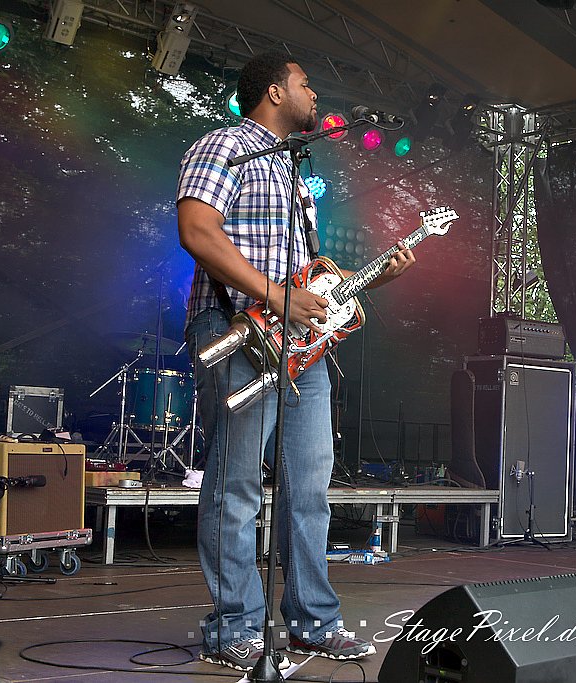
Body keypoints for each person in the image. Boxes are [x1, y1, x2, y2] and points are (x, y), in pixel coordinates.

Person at [177, 51, 415, 671]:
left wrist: (372, 279)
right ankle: (234, 628)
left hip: (300, 348)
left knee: (309, 487)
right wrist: (276, 296)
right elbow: (197, 231)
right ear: (275, 93)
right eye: (306, 84)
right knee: (235, 485)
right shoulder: (226, 146)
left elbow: (310, 284)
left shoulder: (291, 172)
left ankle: (313, 622)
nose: (315, 95)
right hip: (238, 329)